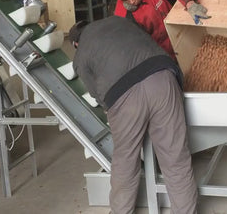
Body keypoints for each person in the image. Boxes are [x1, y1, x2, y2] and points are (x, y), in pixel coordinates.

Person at [69, 16, 198, 214]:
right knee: (175, 159)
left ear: (75, 43)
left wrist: (109, 109)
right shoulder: (118, 20)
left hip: (124, 95)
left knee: (126, 161)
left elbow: (95, 93)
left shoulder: (81, 53)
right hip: (163, 76)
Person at [109, 0, 210, 60]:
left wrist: (189, 3)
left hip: (184, 35)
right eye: (126, 0)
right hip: (161, 54)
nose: (132, 1)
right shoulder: (123, 17)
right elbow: (132, 49)